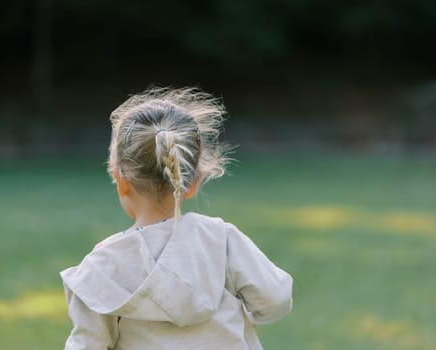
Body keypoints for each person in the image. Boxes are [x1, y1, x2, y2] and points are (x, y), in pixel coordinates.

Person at [60, 87, 293, 349]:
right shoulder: (221, 240)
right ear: (193, 182)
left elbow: (86, 344)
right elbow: (275, 299)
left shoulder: (101, 268)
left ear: (120, 180)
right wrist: (250, 314)